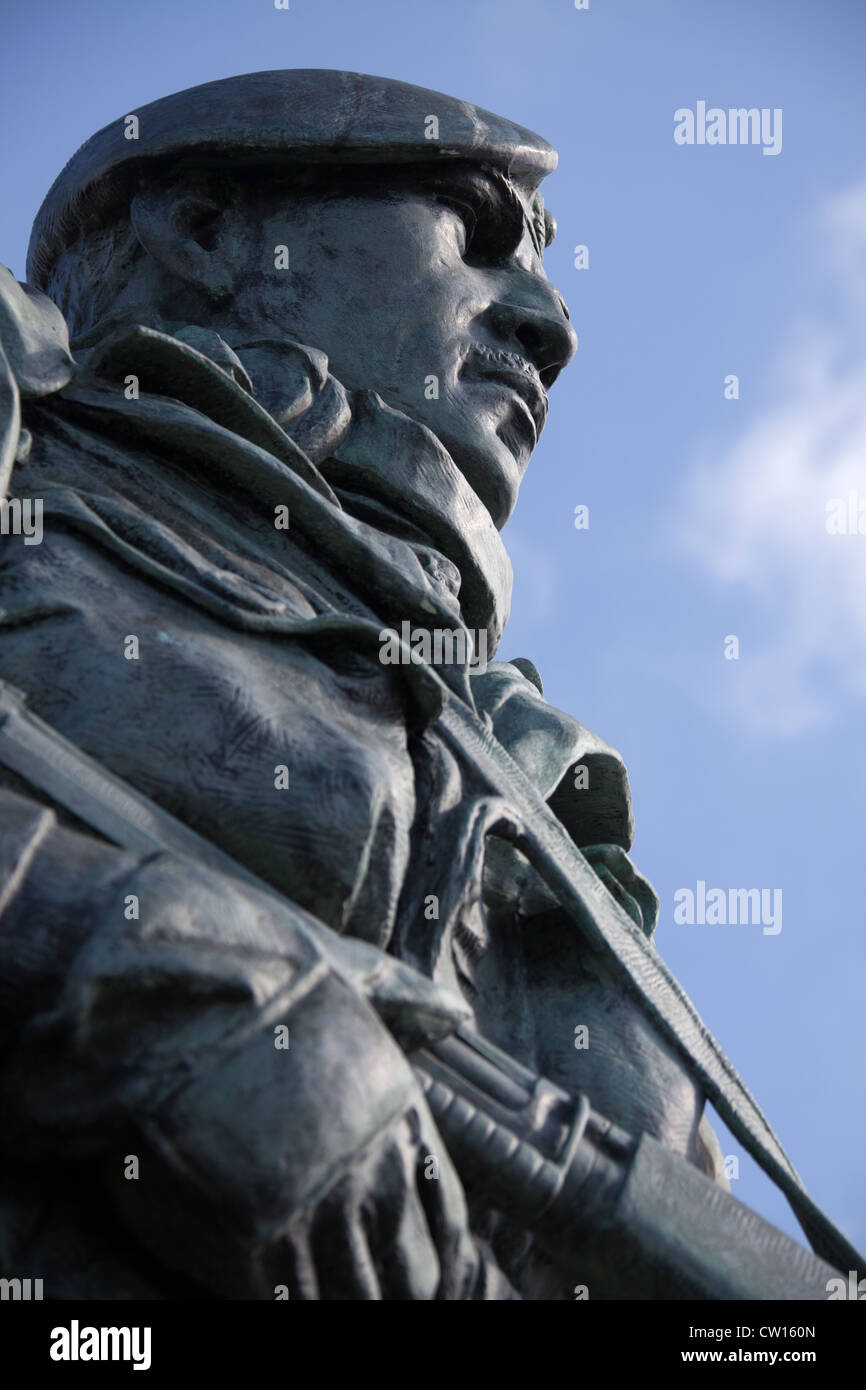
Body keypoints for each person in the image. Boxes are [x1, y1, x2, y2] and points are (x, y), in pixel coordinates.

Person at [0, 69, 828, 1301]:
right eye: (477, 239)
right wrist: (167, 978)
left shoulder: (537, 783)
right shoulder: (30, 446)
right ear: (209, 233)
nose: (548, 325)